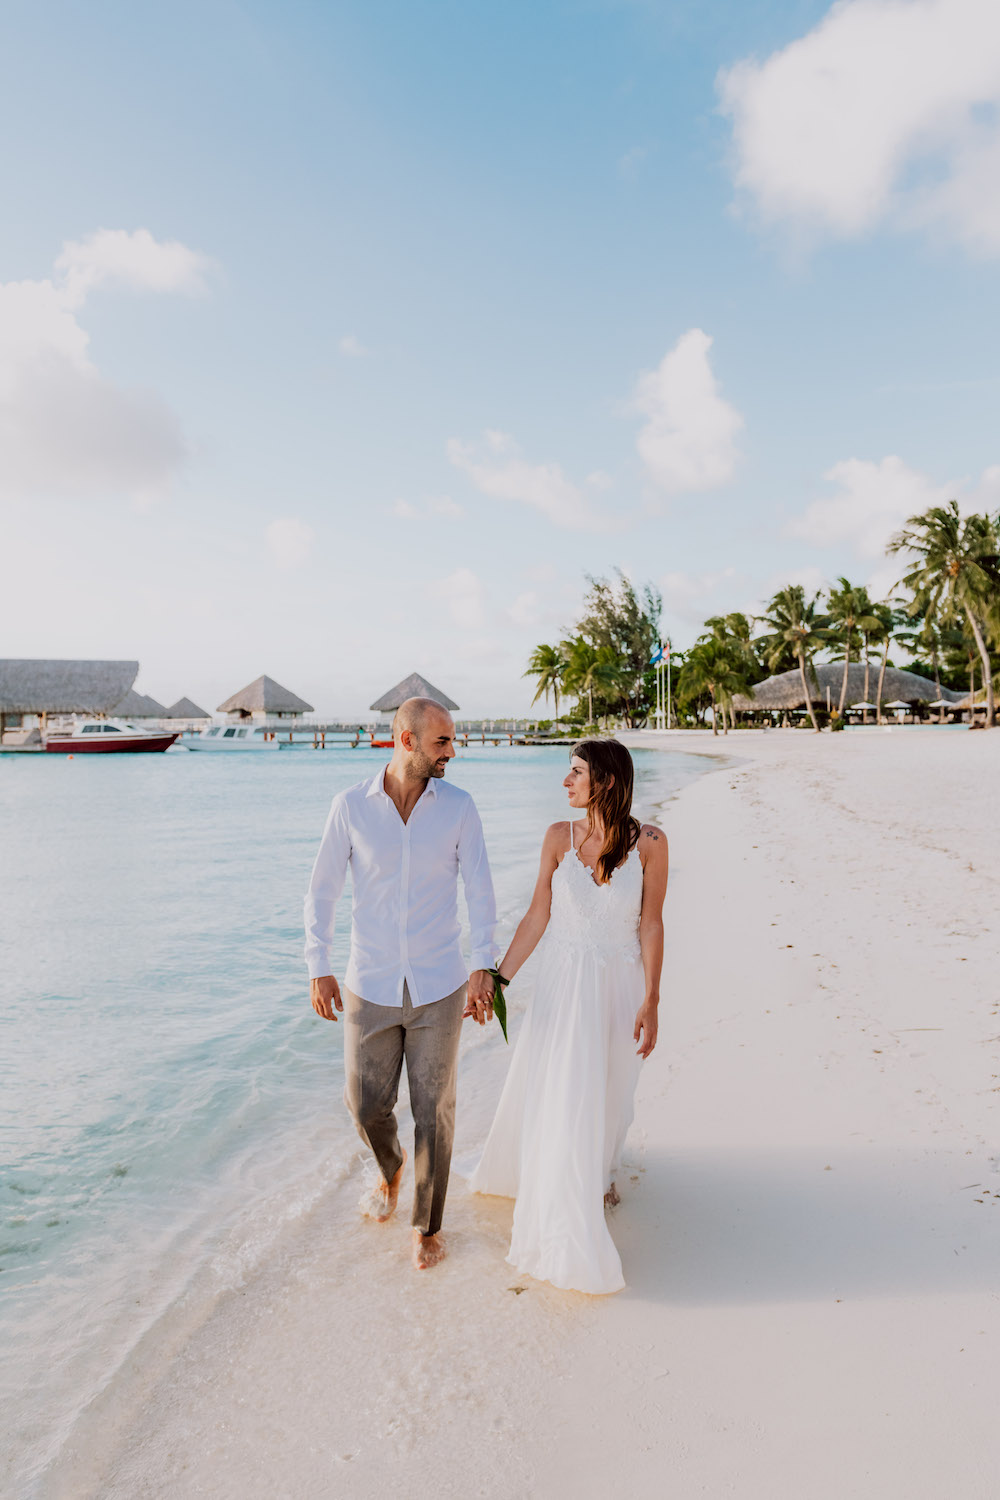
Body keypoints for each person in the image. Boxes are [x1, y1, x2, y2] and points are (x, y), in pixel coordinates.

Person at [305, 696, 498, 1270]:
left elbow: (481, 891)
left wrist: (482, 964)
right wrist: (319, 965)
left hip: (440, 982)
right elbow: (322, 890)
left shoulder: (460, 807)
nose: (452, 752)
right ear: (407, 741)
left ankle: (427, 1224)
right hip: (370, 981)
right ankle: (389, 1169)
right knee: (364, 1104)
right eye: (442, 742)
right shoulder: (350, 807)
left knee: (434, 1108)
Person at [469, 739, 667, 1294]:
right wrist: (497, 978)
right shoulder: (559, 838)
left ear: (604, 780)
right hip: (564, 983)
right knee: (563, 1090)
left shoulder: (650, 843)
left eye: (575, 773)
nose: (566, 782)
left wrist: (652, 998)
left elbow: (651, 924)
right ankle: (566, 1196)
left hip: (620, 984)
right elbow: (538, 915)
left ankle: (598, 1171)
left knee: (610, 1090)